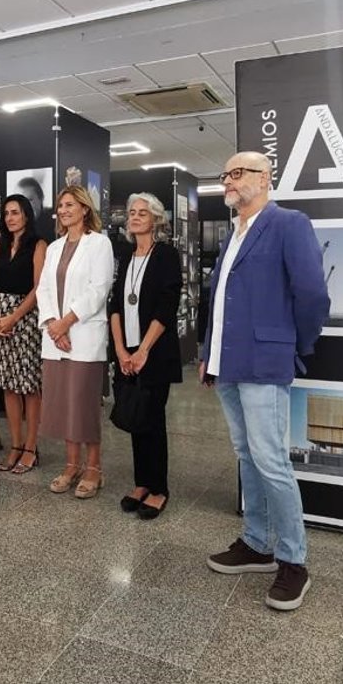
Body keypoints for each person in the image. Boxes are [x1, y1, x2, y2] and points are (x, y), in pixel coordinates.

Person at [202, 152, 329, 612]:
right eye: (226, 174)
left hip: (265, 361)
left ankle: (294, 561)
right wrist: (208, 355)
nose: (228, 181)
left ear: (264, 178)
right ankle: (257, 543)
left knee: (271, 460)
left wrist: (293, 345)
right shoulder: (233, 233)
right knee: (246, 455)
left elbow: (312, 295)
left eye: (237, 173)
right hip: (228, 364)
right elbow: (219, 301)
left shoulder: (288, 224)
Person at [37, 185, 114, 498]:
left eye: (70, 204)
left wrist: (66, 322)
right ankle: (71, 465)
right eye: (61, 205)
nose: (64, 210)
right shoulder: (54, 247)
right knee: (62, 404)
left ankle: (93, 467)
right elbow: (43, 288)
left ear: (85, 208)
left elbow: (99, 289)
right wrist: (53, 325)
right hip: (56, 339)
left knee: (83, 404)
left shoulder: (100, 244)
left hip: (83, 336)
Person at [110, 193, 183, 519]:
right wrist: (120, 350)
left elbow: (167, 307)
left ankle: (158, 489)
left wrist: (142, 350)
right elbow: (115, 304)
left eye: (143, 212)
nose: (135, 217)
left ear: (156, 220)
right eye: (132, 212)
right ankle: (141, 483)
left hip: (154, 353)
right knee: (135, 417)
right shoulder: (126, 255)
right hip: (126, 351)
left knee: (152, 420)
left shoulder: (166, 255)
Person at [0, 194, 47, 474]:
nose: (10, 218)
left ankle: (31, 448)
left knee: (29, 386)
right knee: (9, 386)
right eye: (7, 213)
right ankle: (15, 444)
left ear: (26, 215)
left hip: (26, 319)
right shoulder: (0, 245)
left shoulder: (38, 244)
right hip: (0, 322)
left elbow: (38, 288)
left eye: (15, 212)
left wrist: (13, 317)